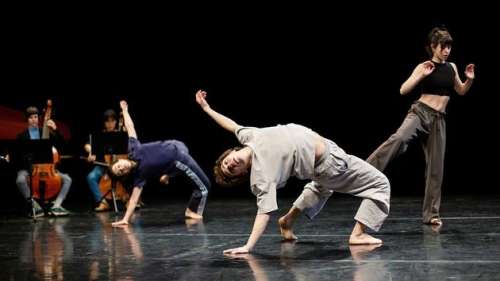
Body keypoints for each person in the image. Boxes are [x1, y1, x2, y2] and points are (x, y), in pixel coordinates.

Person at [195, 90, 390, 255]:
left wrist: (206, 108)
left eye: (227, 162)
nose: (230, 165)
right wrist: (248, 246)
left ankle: (287, 221)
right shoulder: (262, 176)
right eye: (231, 170)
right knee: (380, 184)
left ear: (231, 152)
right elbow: (264, 212)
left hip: (324, 159)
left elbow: (230, 124)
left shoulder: (249, 136)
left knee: (320, 188)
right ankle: (358, 234)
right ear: (242, 172)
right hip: (330, 163)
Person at [366, 27, 475, 226]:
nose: (447, 50)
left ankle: (431, 215)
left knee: (436, 168)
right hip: (420, 112)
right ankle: (364, 169)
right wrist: (421, 75)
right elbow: (403, 90)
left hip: (439, 119)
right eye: (443, 46)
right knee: (399, 139)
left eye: (449, 46)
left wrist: (469, 80)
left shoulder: (452, 67)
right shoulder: (424, 66)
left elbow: (460, 91)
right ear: (433, 47)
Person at [110, 100, 211, 227]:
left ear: (121, 160)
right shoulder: (139, 176)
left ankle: (168, 174)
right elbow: (134, 199)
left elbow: (130, 128)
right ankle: (192, 210)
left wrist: (125, 111)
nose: (122, 168)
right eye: (120, 171)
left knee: (176, 157)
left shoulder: (133, 149)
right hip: (179, 159)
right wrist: (125, 219)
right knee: (205, 187)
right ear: (125, 174)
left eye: (119, 166)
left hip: (176, 144)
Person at [16, 106, 72, 217]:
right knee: (20, 180)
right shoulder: (21, 136)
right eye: (31, 117)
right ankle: (34, 205)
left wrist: (55, 129)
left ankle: (57, 205)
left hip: (48, 169)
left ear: (39, 118)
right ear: (27, 120)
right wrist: (28, 166)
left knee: (67, 179)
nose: (33, 120)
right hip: (30, 168)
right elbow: (19, 156)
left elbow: (62, 144)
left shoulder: (45, 132)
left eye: (36, 117)